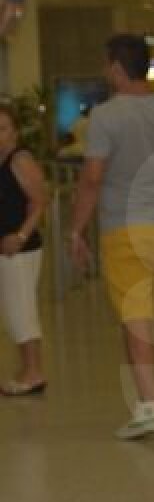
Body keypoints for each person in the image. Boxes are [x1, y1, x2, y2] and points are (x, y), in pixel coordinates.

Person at [68, 33, 154, 438]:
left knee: (137, 318)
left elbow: (93, 178)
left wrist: (76, 229)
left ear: (116, 68)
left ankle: (148, 408)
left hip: (124, 230)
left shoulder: (105, 117)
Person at [0, 101, 48, 395]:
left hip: (20, 248)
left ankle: (33, 371)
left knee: (21, 310)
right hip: (5, 248)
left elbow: (39, 201)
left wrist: (19, 236)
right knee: (13, 311)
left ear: (14, 133)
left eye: (2, 128)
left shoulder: (19, 160)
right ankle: (28, 368)